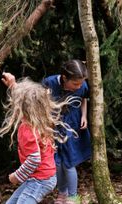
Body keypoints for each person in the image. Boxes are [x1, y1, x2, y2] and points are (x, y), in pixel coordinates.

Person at [0, 75, 75, 204]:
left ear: (21, 105)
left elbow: (34, 159)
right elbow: (29, 97)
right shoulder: (39, 120)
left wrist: (16, 176)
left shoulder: (27, 129)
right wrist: (13, 84)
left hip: (40, 180)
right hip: (40, 177)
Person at [42, 59, 91, 204]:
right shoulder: (49, 83)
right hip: (53, 129)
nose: (79, 86)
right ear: (64, 78)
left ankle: (73, 196)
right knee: (57, 163)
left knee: (69, 163)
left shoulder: (82, 86)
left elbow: (84, 99)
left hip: (72, 129)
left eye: (81, 83)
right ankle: (62, 193)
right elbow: (42, 105)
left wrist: (84, 116)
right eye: (75, 84)